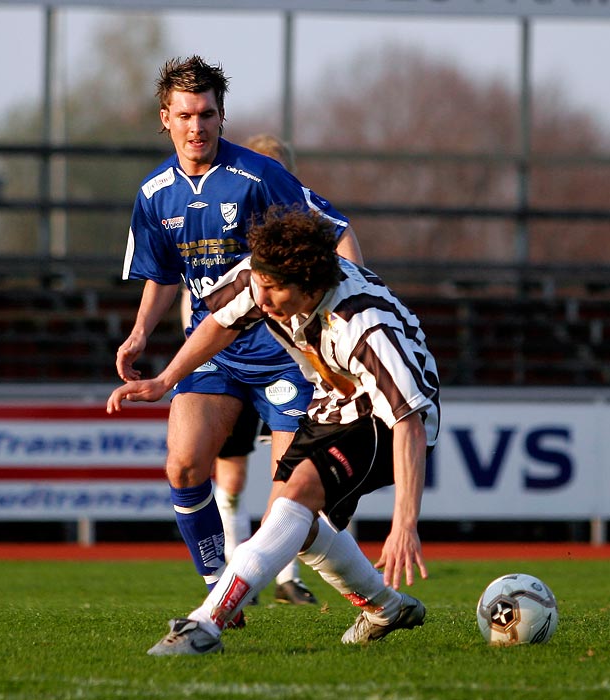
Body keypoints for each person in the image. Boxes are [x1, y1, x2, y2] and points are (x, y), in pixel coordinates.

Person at [107, 205, 440, 655]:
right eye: (260, 285)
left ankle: (206, 625)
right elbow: (221, 324)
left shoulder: (363, 325)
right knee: (294, 528)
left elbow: (410, 423)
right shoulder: (262, 277)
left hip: (386, 418)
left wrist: (405, 523)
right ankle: (386, 607)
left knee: (293, 497)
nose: (262, 299)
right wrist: (165, 380)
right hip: (332, 399)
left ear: (310, 287)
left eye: (274, 291)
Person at [116, 56, 363, 615]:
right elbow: (160, 276)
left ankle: (374, 596)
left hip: (282, 354)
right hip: (213, 349)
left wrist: (348, 314)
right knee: (182, 465)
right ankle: (217, 587)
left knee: (293, 511)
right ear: (166, 118)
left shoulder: (259, 176)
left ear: (221, 114)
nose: (196, 126)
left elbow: (335, 232)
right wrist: (137, 336)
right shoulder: (155, 193)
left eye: (206, 113)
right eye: (185, 115)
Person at [177, 132, 315, 605]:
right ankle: (238, 572)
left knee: (291, 479)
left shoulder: (300, 231)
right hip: (227, 364)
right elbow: (197, 305)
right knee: (229, 476)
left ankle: (283, 578)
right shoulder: (216, 230)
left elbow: (342, 245)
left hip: (284, 365)